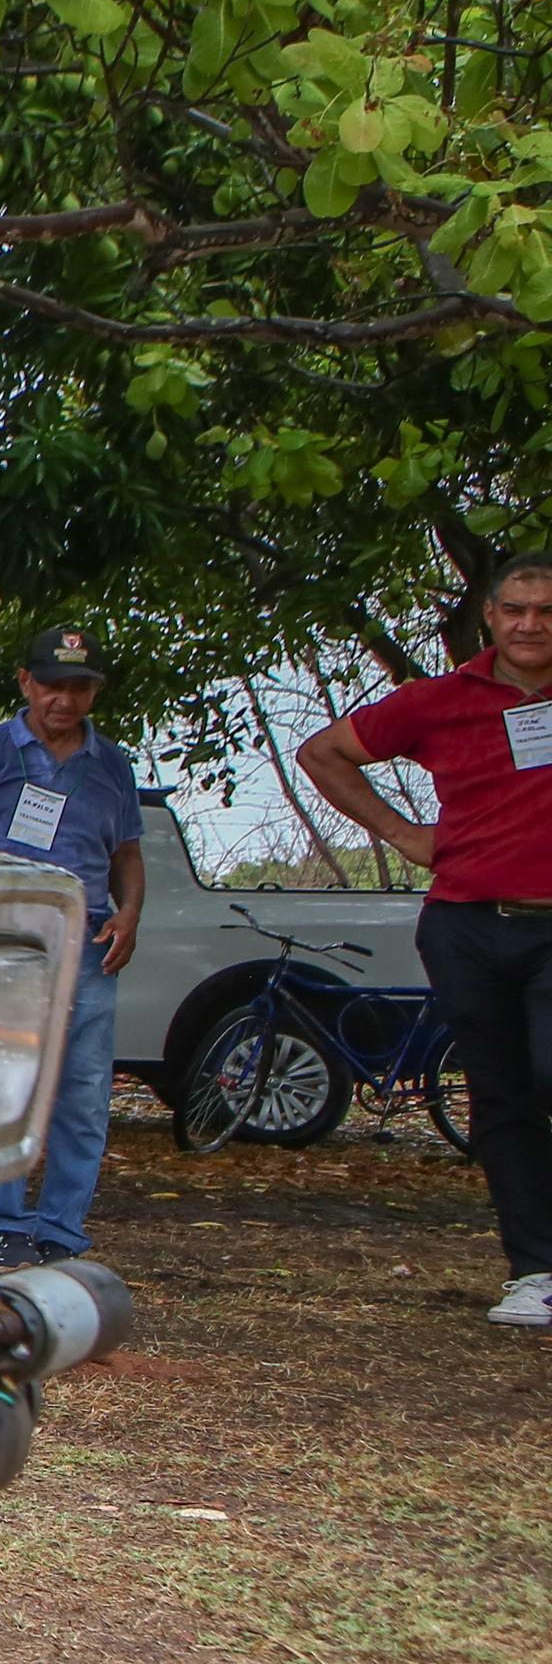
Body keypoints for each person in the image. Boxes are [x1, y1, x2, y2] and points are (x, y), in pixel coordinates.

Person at [299, 552, 552, 1329]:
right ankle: (535, 1271)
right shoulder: (440, 700)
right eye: (516, 609)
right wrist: (403, 834)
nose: (530, 625)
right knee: (502, 1099)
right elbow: (323, 752)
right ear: (491, 616)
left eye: (546, 612)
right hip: (465, 924)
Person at [0, 627, 145, 1267]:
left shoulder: (113, 764)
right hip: (5, 940)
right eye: (53, 684)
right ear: (27, 682)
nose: (64, 699)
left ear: (94, 693)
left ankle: (63, 1232)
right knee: (7, 1085)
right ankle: (6, 1222)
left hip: (85, 940)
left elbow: (127, 854)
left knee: (83, 1093)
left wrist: (132, 911)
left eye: (79, 687)